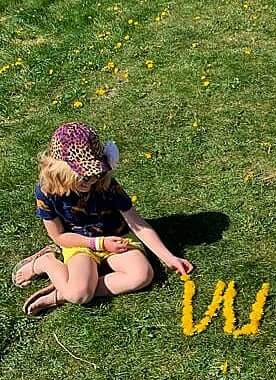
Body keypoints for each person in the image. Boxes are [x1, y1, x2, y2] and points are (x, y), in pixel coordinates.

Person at [12, 122, 193, 316]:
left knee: (142, 275)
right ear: (59, 169)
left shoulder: (104, 183)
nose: (91, 180)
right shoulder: (47, 192)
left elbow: (136, 222)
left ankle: (62, 292)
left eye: (95, 173)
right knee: (79, 295)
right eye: (83, 175)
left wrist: (168, 257)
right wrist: (98, 243)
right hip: (81, 243)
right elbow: (59, 237)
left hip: (117, 237)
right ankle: (47, 263)